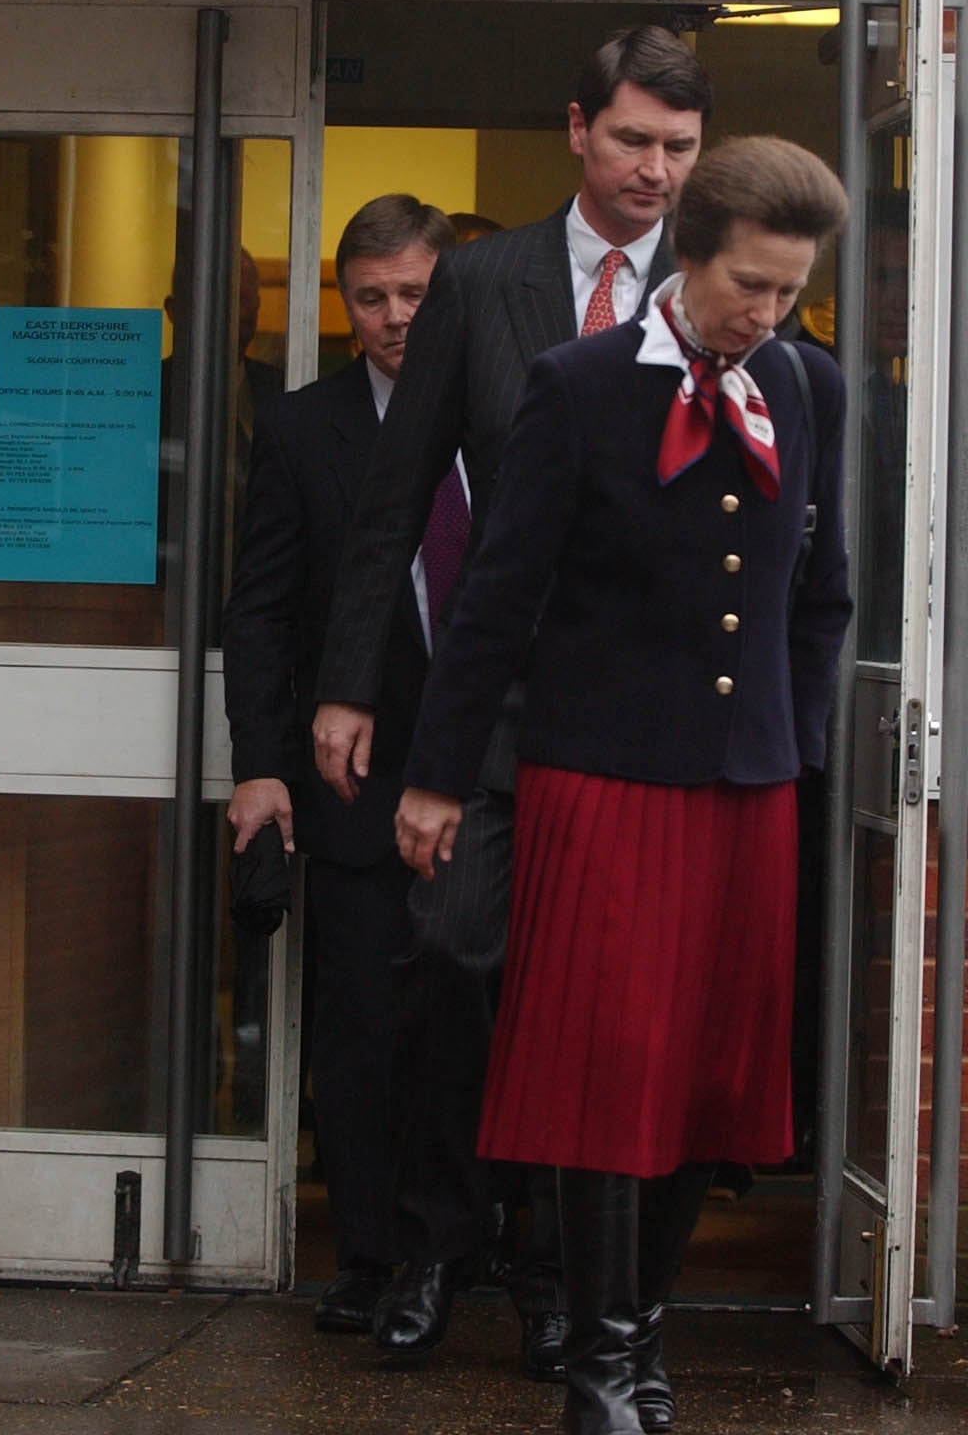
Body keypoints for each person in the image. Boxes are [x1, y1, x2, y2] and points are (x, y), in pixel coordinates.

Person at [395, 137, 852, 1435]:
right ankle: (597, 1368)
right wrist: (437, 777)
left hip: (748, 787)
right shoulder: (580, 384)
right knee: (609, 1074)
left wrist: (794, 737)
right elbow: (496, 598)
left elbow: (825, 596)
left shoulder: (802, 386)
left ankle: (648, 1342)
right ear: (689, 255)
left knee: (710, 1073)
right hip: (600, 782)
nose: (767, 316)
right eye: (749, 287)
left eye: (790, 292)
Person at [313, 26, 712, 1368]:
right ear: (577, 131)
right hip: (480, 712)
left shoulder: (713, 287)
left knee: (590, 996)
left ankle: (554, 1270)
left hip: (638, 719)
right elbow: (392, 499)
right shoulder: (482, 285)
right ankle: (437, 1236)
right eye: (634, 141)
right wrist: (349, 687)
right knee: (455, 958)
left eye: (680, 148)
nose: (656, 171)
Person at [223, 194, 457, 1333]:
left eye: (413, 292)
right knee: (361, 1029)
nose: (394, 316)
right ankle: (368, 1258)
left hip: (479, 778)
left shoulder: (508, 412)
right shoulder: (304, 428)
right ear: (342, 300)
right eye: (370, 296)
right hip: (354, 781)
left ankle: (473, 1252)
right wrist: (262, 768)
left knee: (471, 1024)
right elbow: (261, 611)